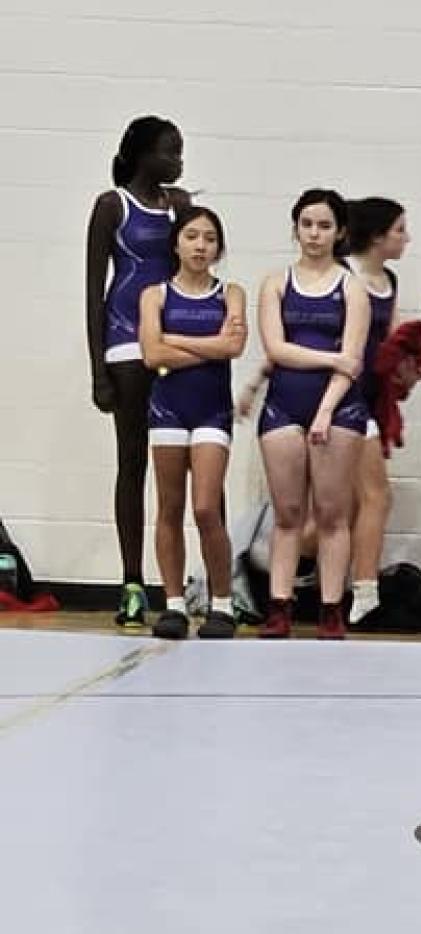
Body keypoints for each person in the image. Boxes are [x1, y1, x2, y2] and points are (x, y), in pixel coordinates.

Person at [84, 115, 191, 628]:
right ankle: (131, 582)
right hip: (126, 345)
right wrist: (97, 369)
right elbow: (93, 290)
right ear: (145, 154)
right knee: (133, 462)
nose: (178, 160)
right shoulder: (112, 206)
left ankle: (180, 585)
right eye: (171, 151)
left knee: (178, 466)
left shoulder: (182, 205)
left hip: (173, 342)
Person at [254, 189, 371, 640]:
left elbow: (353, 361)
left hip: (339, 408)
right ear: (295, 228)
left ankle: (330, 609)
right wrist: (328, 360)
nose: (314, 234)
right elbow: (276, 348)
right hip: (284, 403)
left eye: (324, 226)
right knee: (286, 512)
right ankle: (279, 607)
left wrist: (325, 410)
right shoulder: (276, 284)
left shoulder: (351, 288)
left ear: (339, 231)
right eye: (306, 225)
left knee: (330, 513)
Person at [137, 206, 246, 639]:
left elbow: (234, 346)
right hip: (167, 408)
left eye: (210, 238)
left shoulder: (230, 293)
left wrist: (174, 339)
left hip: (211, 411)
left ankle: (223, 602)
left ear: (219, 247)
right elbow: (150, 355)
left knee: (205, 507)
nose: (201, 245)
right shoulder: (155, 295)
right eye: (192, 236)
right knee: (169, 507)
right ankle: (174, 603)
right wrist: (210, 344)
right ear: (177, 243)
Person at [342, 197, 412, 626]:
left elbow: (392, 341)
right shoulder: (345, 276)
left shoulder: (388, 280)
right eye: (401, 229)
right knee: (375, 496)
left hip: (369, 399)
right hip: (338, 398)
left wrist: (409, 368)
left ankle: (348, 585)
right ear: (377, 235)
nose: (407, 238)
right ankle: (364, 590)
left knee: (349, 504)